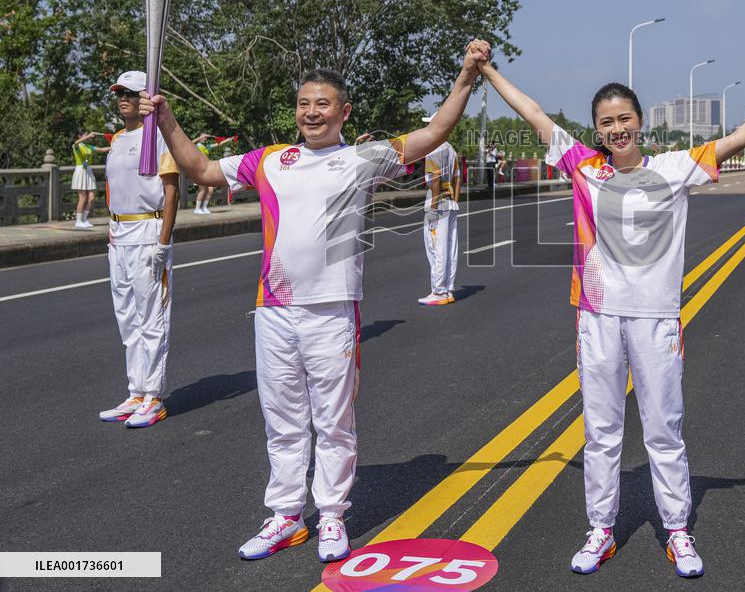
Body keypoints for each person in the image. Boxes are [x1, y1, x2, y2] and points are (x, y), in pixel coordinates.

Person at [140, 40, 489, 563]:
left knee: (333, 420)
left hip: (331, 310)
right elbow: (202, 171)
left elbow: (435, 131)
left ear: (343, 111)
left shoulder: (361, 159)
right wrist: (166, 118)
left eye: (322, 104)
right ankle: (284, 516)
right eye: (304, 104)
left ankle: (329, 516)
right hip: (275, 310)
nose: (311, 113)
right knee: (280, 419)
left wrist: (466, 75)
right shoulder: (271, 160)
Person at [478, 55, 745, 579]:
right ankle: (600, 529)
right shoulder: (582, 166)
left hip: (656, 318)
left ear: (640, 122)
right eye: (606, 122)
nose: (616, 128)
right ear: (597, 129)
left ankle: (677, 529)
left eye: (624, 118)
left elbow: (738, 138)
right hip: (598, 317)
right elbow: (535, 114)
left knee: (664, 430)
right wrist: (491, 73)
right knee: (601, 431)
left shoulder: (673, 168)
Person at [98, 71, 180, 429]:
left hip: (149, 228)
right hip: (120, 232)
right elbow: (111, 185)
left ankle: (154, 397)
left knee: (151, 317)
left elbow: (172, 191)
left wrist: (163, 241)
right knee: (127, 316)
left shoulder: (159, 137)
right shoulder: (117, 139)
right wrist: (111, 224)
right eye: (119, 93)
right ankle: (135, 391)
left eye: (130, 93)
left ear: (147, 97)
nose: (123, 99)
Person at [418, 114, 461, 306]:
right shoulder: (450, 149)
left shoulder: (432, 150)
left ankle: (439, 291)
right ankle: (448, 288)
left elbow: (435, 181)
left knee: (436, 247)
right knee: (450, 247)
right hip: (450, 202)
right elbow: (458, 178)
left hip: (438, 203)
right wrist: (455, 200)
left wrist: (433, 209)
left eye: (429, 125)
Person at [71, 131, 110, 228]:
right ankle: (78, 221)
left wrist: (114, 147)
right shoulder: (77, 146)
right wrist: (88, 136)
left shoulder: (88, 146)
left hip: (88, 170)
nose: (87, 136)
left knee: (92, 197)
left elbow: (101, 149)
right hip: (80, 170)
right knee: (83, 197)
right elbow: (76, 143)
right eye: (85, 134)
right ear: (80, 136)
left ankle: (84, 219)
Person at [191, 134, 235, 213]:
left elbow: (217, 144)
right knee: (203, 190)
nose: (205, 139)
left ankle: (203, 207)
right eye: (203, 138)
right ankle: (197, 209)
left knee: (210, 190)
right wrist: (200, 137)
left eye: (205, 138)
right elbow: (190, 143)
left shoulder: (206, 147)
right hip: (198, 171)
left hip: (205, 171)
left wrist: (227, 140)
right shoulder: (197, 146)